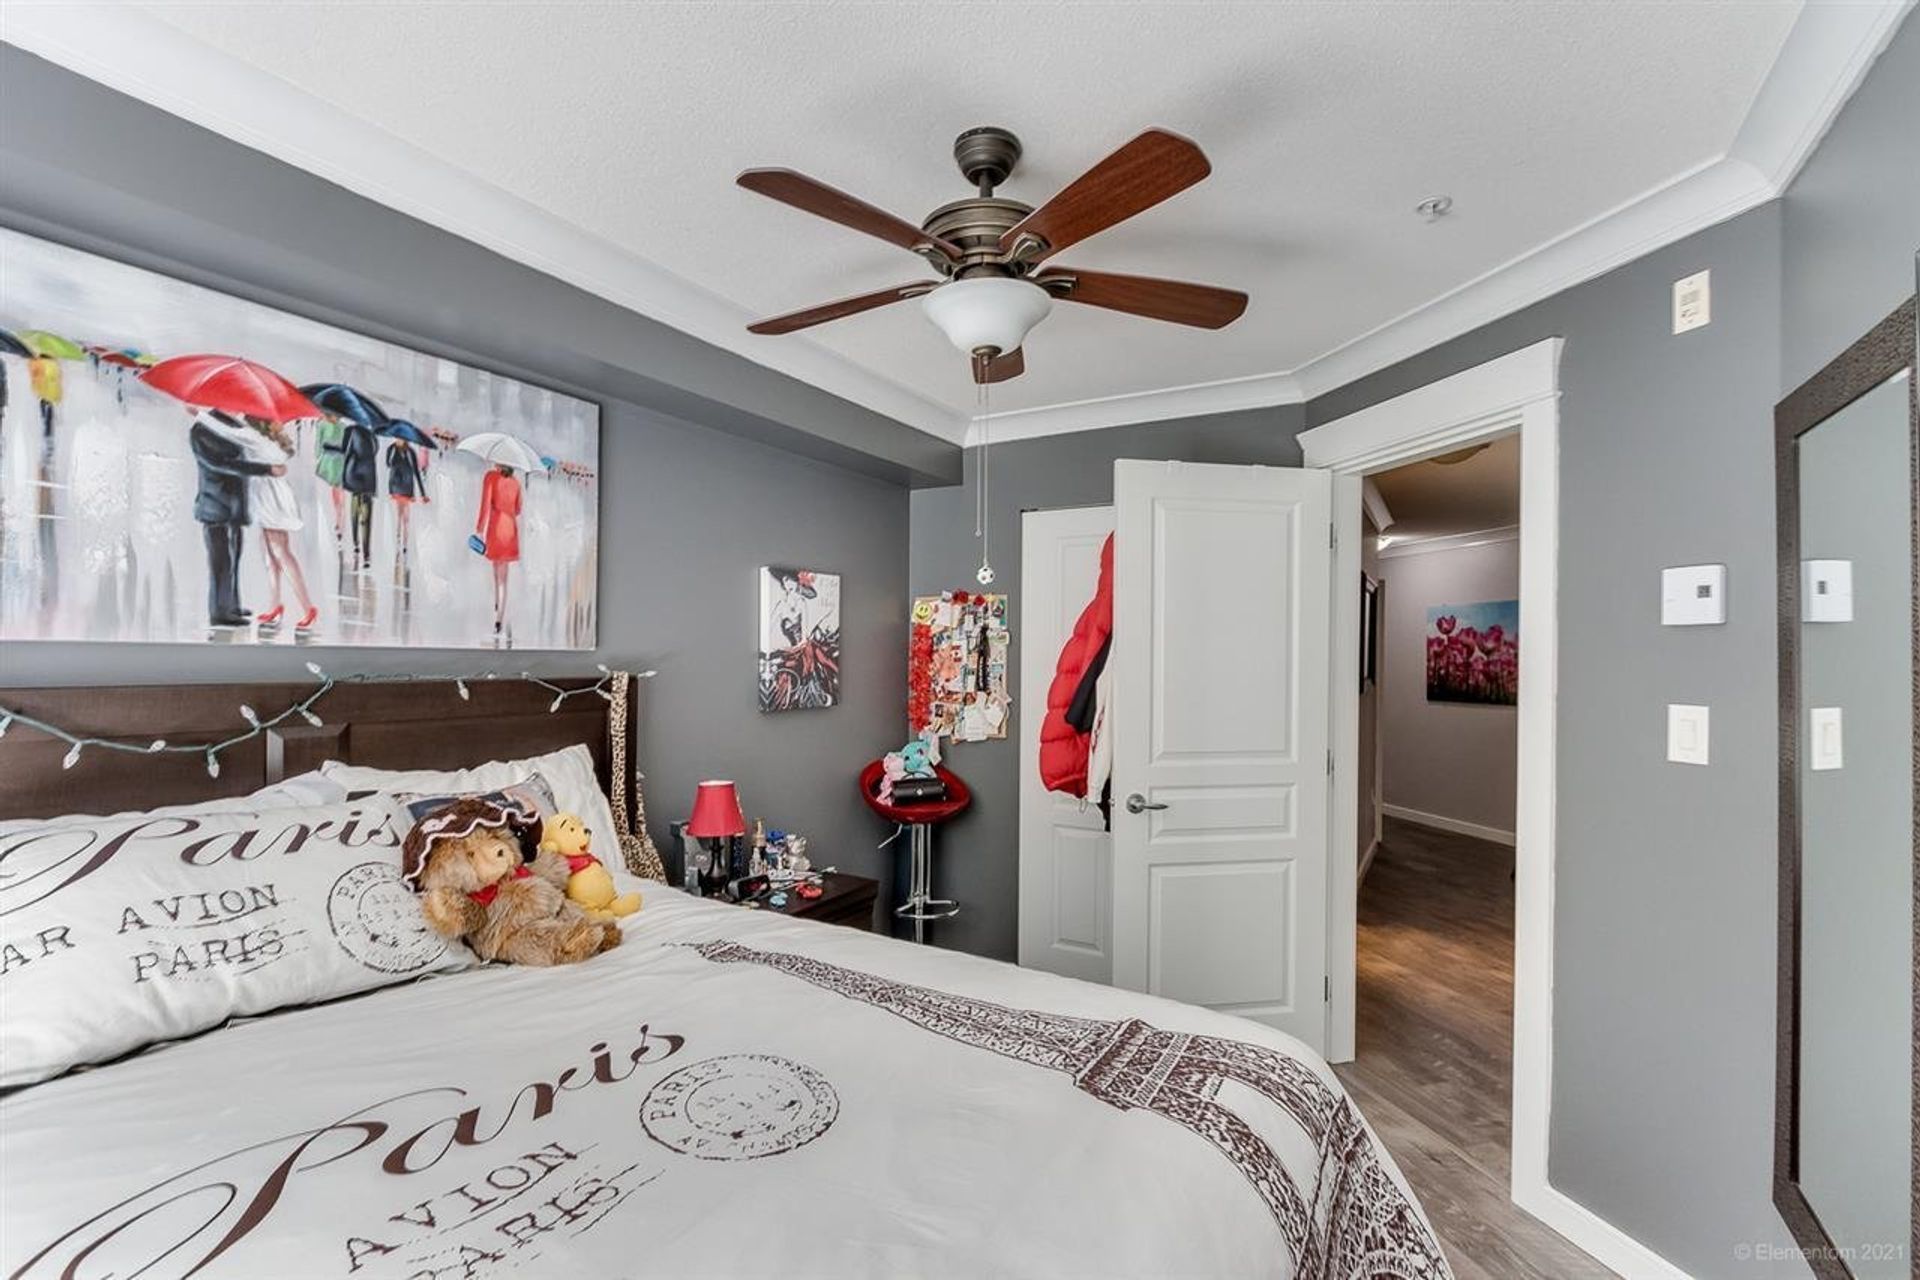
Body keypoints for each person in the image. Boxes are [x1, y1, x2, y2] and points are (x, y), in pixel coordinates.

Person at [188, 408, 284, 628]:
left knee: (233, 558)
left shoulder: (233, 427)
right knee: (221, 562)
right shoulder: (201, 431)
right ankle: (220, 612)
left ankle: (232, 605)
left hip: (233, 506)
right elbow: (221, 464)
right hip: (215, 507)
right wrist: (266, 469)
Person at [239, 418, 317, 634]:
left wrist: (201, 416)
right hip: (267, 499)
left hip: (271, 500)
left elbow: (231, 435)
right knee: (270, 557)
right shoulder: (271, 441)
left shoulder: (261, 441)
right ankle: (275, 606)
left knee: (280, 553)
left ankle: (307, 608)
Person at [475, 462, 521, 640]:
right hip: (510, 529)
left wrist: (480, 529)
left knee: (496, 571)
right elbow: (518, 509)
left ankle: (497, 612)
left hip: (495, 528)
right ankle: (499, 612)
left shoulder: (490, 477)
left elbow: (485, 505)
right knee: (503, 577)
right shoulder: (516, 482)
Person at [337, 419, 379, 572]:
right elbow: (375, 451)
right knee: (366, 518)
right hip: (369, 477)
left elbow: (345, 451)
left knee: (355, 511)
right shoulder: (372, 434)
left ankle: (356, 543)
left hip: (353, 475)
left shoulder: (350, 431)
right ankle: (366, 553)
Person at [385, 437, 428, 554]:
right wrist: (393, 448)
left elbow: (416, 472)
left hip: (407, 489)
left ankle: (404, 543)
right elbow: (388, 464)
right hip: (396, 488)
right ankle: (398, 540)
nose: (400, 440)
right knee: (398, 516)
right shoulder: (392, 450)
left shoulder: (410, 452)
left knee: (406, 518)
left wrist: (423, 493)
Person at [312, 413, 348, 541]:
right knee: (332, 489)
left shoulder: (342, 426)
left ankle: (340, 518)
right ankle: (336, 516)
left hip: (339, 460)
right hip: (327, 461)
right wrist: (318, 457)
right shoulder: (322, 425)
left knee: (339, 490)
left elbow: (345, 445)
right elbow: (318, 443)